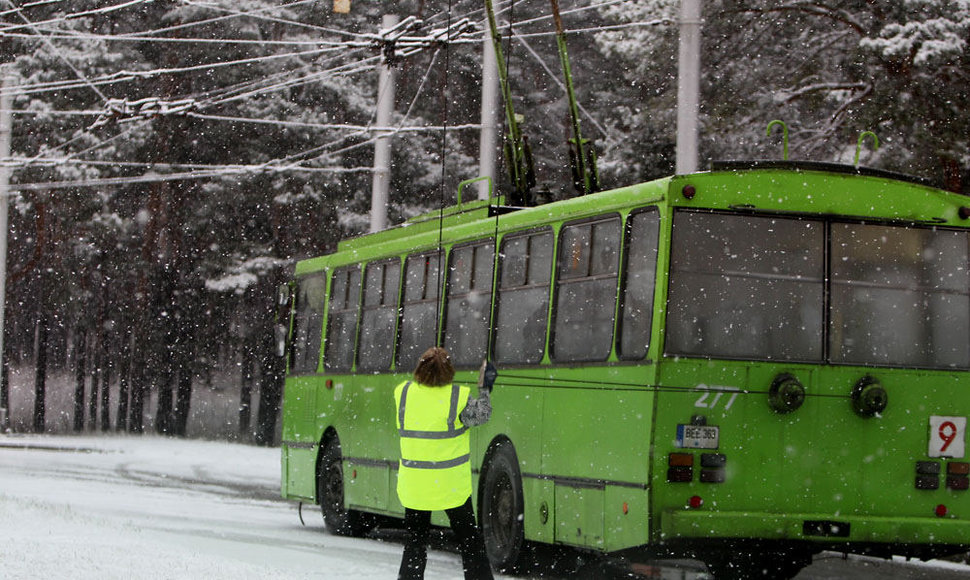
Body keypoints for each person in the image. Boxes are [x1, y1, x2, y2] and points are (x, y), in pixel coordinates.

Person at [394, 347, 496, 580]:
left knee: (415, 543)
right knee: (470, 542)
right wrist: (485, 388)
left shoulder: (403, 393)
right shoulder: (457, 398)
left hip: (415, 485)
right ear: (449, 372)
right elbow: (483, 415)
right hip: (451, 487)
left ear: (419, 369)